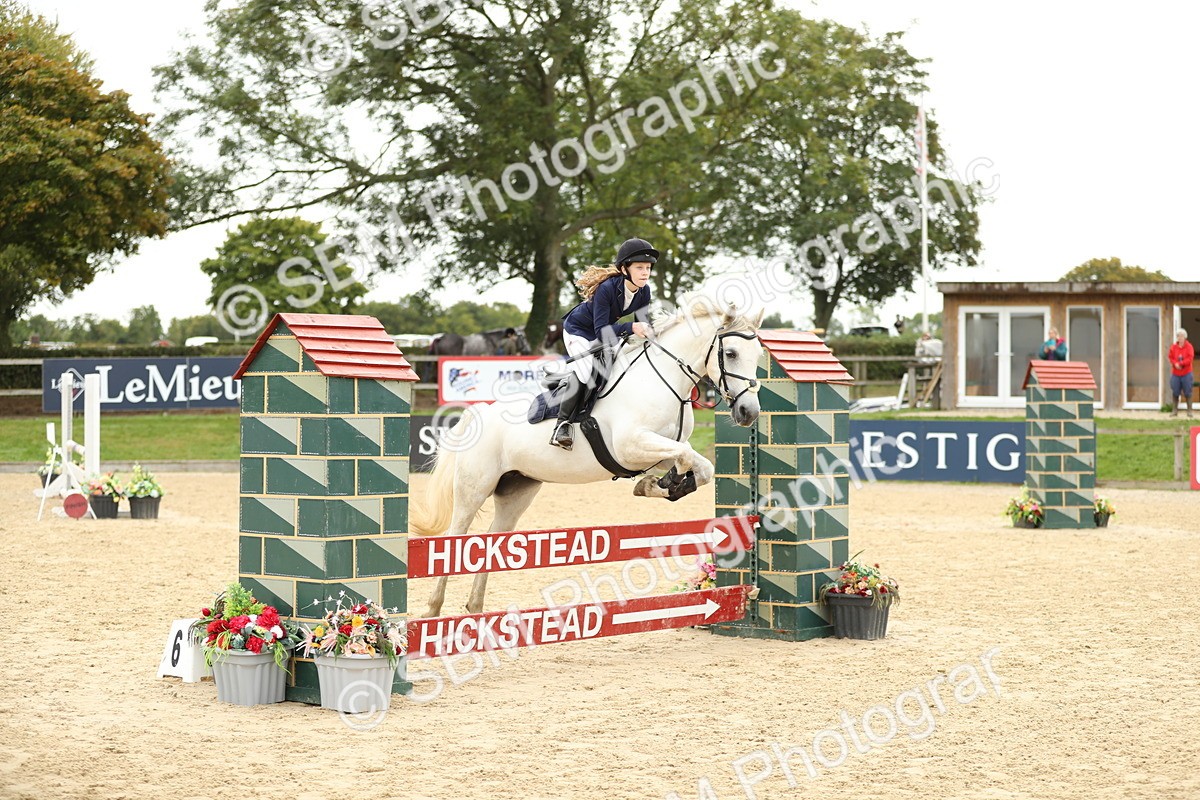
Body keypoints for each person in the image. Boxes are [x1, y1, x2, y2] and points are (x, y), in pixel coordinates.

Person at [550, 237, 657, 449]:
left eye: (648, 268)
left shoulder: (644, 291)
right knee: (585, 371)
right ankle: (562, 425)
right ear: (624, 269)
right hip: (578, 331)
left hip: (607, 331)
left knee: (623, 363)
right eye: (639, 267)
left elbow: (642, 325)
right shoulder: (606, 289)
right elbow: (601, 332)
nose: (645, 273)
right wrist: (631, 327)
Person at [1168, 328, 1194, 418]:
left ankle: (1189, 411)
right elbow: (1170, 357)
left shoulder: (1189, 347)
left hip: (1186, 373)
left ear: (1185, 337)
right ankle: (1174, 411)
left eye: (1182, 336)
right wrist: (1175, 363)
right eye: (1178, 336)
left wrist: (1181, 363)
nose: (1180, 338)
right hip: (1176, 374)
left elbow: (1190, 358)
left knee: (1188, 391)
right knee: (1175, 391)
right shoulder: (1173, 347)